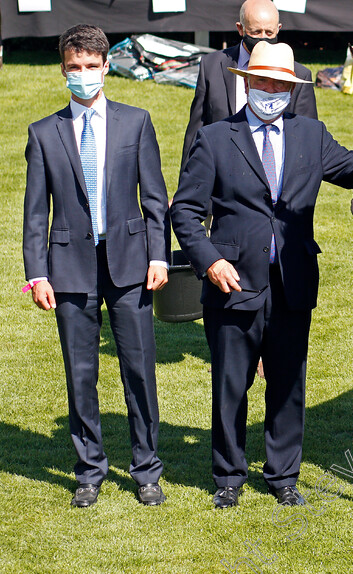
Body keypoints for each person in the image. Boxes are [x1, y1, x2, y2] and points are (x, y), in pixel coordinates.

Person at [170, 41, 353, 509]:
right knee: (231, 383)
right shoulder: (215, 138)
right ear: (246, 82)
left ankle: (282, 476)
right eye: (262, 82)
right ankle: (229, 476)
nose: (270, 91)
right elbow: (185, 212)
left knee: (288, 382)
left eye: (280, 84)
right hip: (231, 282)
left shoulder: (312, 134)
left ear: (291, 89)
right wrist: (210, 261)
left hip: (293, 279)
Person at [22, 24, 169, 508]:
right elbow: (35, 211)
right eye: (73, 68)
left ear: (106, 66)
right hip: (68, 267)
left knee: (139, 370)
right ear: (63, 71)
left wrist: (158, 254)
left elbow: (154, 197)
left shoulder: (136, 122)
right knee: (80, 372)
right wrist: (37, 272)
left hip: (129, 263)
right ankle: (89, 469)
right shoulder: (43, 133)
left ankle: (146, 467)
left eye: (90, 66)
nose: (82, 75)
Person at [181, 0, 317, 169]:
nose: (263, 39)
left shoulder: (298, 74)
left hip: (273, 173)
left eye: (269, 32)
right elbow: (196, 131)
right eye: (256, 32)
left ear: (278, 29)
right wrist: (184, 189)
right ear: (241, 29)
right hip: (220, 172)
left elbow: (307, 139)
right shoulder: (212, 66)